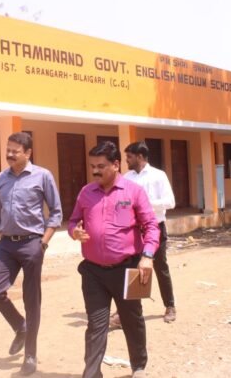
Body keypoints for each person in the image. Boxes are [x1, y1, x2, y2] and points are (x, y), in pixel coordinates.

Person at [68, 141, 159, 378]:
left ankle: (138, 367)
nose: (95, 171)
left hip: (127, 269)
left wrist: (147, 256)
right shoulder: (86, 193)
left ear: (116, 165)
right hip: (93, 272)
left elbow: (151, 225)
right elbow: (73, 220)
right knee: (96, 324)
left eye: (101, 166)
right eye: (92, 166)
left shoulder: (133, 191)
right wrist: (74, 232)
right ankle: (92, 373)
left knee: (132, 320)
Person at [0, 131, 63, 375]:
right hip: (6, 245)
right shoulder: (1, 178)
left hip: (32, 244)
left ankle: (30, 355)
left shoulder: (43, 176)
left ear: (28, 153)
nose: (9, 154)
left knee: (32, 301)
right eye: (8, 150)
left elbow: (56, 211)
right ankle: (20, 326)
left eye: (15, 151)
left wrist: (44, 242)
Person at [113, 141, 177, 326]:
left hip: (155, 228)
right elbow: (121, 202)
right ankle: (128, 313)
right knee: (132, 269)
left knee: (160, 268)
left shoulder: (158, 175)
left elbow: (170, 202)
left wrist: (144, 203)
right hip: (134, 230)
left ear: (140, 156)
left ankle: (170, 306)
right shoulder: (126, 178)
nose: (126, 160)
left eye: (129, 157)